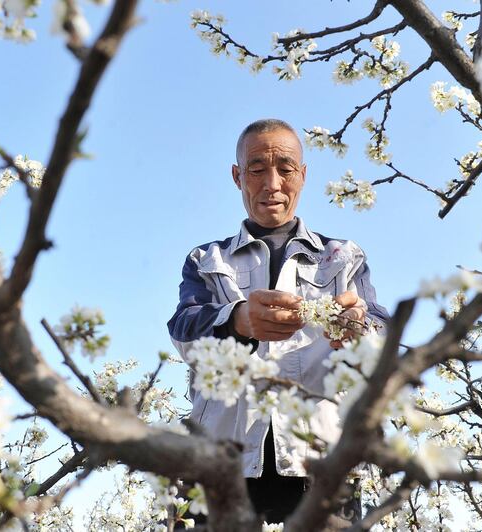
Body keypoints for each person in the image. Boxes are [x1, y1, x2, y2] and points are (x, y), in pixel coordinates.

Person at [168, 119, 389, 526]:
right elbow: (184, 329)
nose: (272, 183)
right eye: (256, 169)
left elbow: (379, 330)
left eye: (286, 168)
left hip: (320, 455)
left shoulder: (343, 257)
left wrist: (359, 327)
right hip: (221, 458)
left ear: (302, 176)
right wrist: (238, 321)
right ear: (238, 176)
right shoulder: (207, 260)